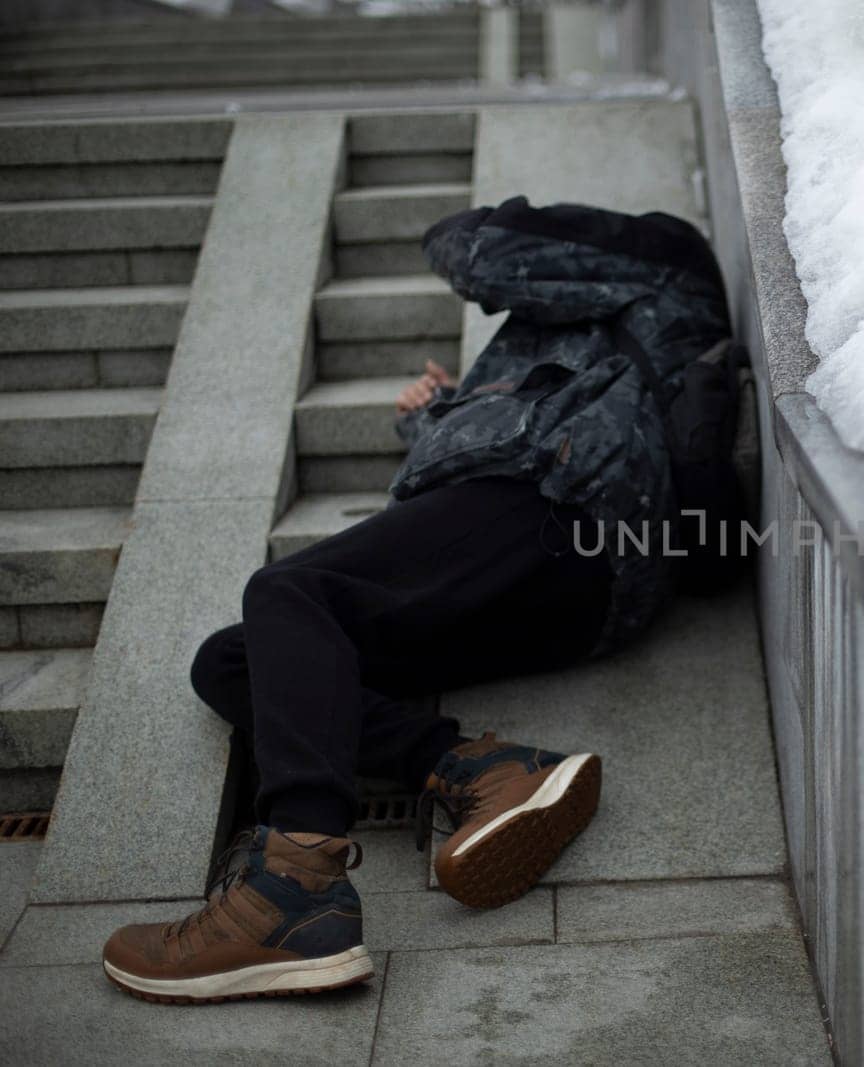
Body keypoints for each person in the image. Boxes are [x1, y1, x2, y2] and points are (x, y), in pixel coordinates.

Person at [99, 199, 741, 1004]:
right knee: (232, 660)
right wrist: (439, 416)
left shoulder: (662, 254)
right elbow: (528, 414)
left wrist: (480, 228)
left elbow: (473, 246)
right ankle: (480, 766)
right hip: (571, 571)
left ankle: (294, 882)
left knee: (290, 590)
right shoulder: (601, 329)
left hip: (566, 503)